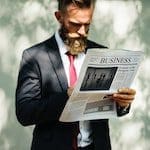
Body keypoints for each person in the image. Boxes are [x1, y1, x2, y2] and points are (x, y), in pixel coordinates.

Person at [15, 0, 136, 150]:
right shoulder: (34, 56)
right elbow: (25, 113)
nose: (82, 32)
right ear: (59, 17)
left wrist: (122, 104)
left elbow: (107, 104)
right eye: (75, 24)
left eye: (87, 25)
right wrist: (67, 96)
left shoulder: (102, 52)